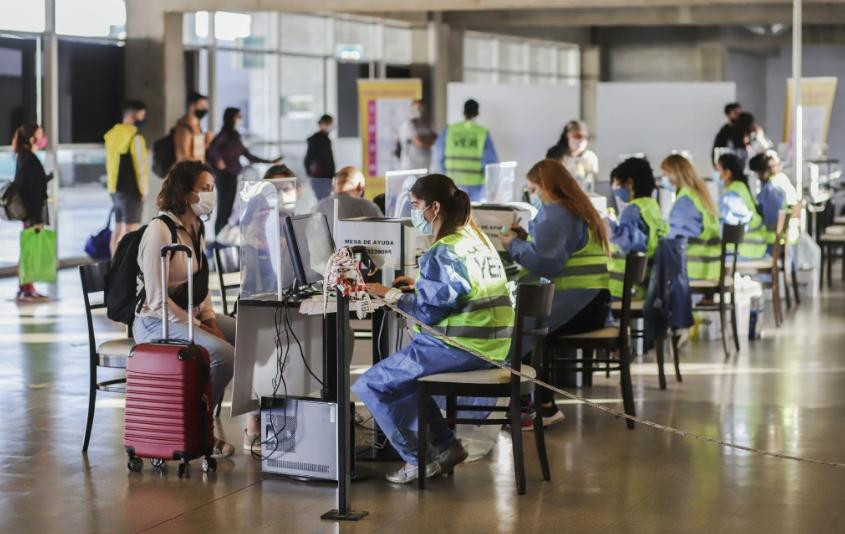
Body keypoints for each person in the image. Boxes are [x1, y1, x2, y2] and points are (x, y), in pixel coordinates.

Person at [354, 174, 513, 484]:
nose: (415, 214)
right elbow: (458, 293)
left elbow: (428, 312)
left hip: (462, 346)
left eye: (416, 206)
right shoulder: (476, 241)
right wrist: (421, 286)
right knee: (405, 381)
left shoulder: (443, 251)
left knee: (371, 385)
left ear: (434, 207)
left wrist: (388, 294)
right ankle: (446, 446)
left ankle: (417, 460)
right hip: (491, 345)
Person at [133, 160, 253, 457]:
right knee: (223, 354)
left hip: (188, 314)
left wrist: (210, 319)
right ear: (187, 193)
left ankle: (248, 420)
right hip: (154, 319)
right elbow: (158, 298)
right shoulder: (160, 231)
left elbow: (200, 286)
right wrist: (200, 327)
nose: (212, 194)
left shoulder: (196, 227)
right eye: (205, 188)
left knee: (247, 336)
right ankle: (200, 429)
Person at [500, 159, 611, 427]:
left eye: (534, 190)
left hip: (581, 302)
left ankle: (535, 409)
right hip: (592, 302)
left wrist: (514, 246)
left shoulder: (557, 213)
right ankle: (545, 404)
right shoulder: (576, 209)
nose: (534, 197)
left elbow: (547, 264)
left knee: (522, 330)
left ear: (546, 187)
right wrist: (527, 242)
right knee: (531, 327)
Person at [207, 107, 281, 234]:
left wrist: (270, 161)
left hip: (232, 176)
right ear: (231, 118)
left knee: (228, 209)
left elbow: (248, 156)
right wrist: (219, 160)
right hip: (224, 176)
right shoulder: (224, 134)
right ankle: (219, 241)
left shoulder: (235, 136)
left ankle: (223, 238)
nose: (241, 119)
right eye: (239, 117)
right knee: (223, 208)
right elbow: (212, 149)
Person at [607, 157, 668, 299]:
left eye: (618, 184)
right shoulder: (652, 206)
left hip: (624, 289)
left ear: (629, 183)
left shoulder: (633, 209)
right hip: (647, 285)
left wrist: (608, 225)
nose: (617, 190)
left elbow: (625, 244)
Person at [660, 154, 721, 280]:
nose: (662, 179)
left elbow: (676, 239)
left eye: (665, 174)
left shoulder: (685, 201)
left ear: (675, 173)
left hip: (695, 269)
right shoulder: (698, 195)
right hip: (711, 265)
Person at [11, 123, 51, 302]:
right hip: (33, 213)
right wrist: (36, 218)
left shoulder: (24, 157)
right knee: (30, 250)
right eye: (40, 134)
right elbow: (31, 189)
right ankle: (26, 289)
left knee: (30, 250)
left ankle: (28, 288)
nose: (43, 138)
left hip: (31, 212)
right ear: (32, 138)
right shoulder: (28, 158)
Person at [104, 100, 149, 254]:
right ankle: (124, 270)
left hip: (114, 188)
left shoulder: (112, 134)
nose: (144, 119)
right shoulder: (135, 136)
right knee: (131, 231)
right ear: (133, 115)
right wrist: (144, 190)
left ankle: (114, 267)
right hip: (131, 189)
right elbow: (140, 166)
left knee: (118, 230)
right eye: (142, 115)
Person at [435, 99, 498, 201]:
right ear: (477, 113)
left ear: (463, 112)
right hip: (476, 185)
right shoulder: (482, 132)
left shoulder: (450, 129)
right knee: (473, 215)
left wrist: (444, 177)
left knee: (453, 215)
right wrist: (492, 189)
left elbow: (437, 156)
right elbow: (491, 163)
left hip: (452, 183)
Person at [717, 153, 767, 259]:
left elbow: (728, 227)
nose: (717, 174)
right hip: (754, 247)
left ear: (728, 173)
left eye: (718, 170)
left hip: (743, 249)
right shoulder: (740, 187)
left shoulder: (732, 195)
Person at [314, 166, 383, 232]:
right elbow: (386, 235)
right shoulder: (368, 207)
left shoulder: (317, 208)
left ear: (334, 186)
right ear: (360, 187)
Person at [546, 120, 599, 192]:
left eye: (585, 137)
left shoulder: (590, 157)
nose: (582, 140)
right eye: (577, 136)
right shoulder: (555, 154)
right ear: (567, 136)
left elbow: (594, 181)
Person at [304, 114, 336, 200]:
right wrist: (310, 173)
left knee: (326, 201)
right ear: (322, 124)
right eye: (328, 124)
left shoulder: (326, 139)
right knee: (323, 202)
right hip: (319, 178)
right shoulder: (315, 139)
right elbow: (308, 158)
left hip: (327, 177)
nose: (329, 126)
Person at [173, 91, 211, 164]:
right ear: (192, 106)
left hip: (199, 169)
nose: (204, 109)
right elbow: (182, 157)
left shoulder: (198, 127)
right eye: (201, 105)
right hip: (190, 172)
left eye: (204, 106)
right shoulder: (184, 129)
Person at [398, 99, 436, 170]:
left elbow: (435, 139)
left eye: (421, 108)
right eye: (417, 108)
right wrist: (426, 139)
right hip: (411, 166)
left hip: (425, 165)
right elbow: (420, 143)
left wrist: (423, 138)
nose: (419, 110)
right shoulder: (408, 124)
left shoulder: (427, 124)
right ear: (412, 109)